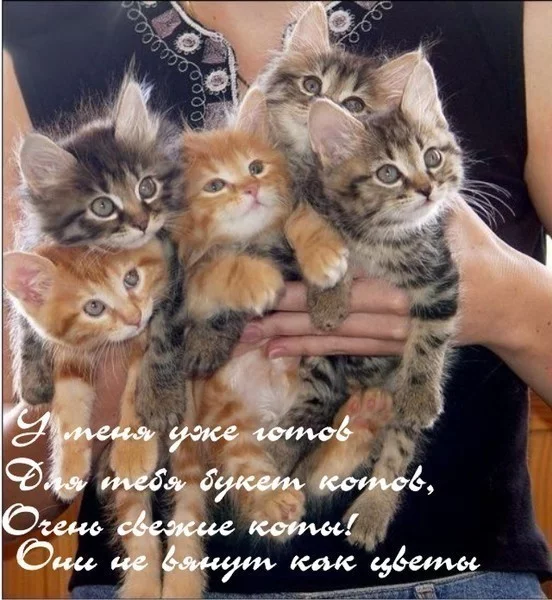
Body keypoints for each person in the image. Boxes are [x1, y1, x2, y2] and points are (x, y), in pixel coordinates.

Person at [3, 1, 552, 598]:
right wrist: (108, 374)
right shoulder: (30, 45)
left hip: (453, 580)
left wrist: (507, 302)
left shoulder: (515, 18)